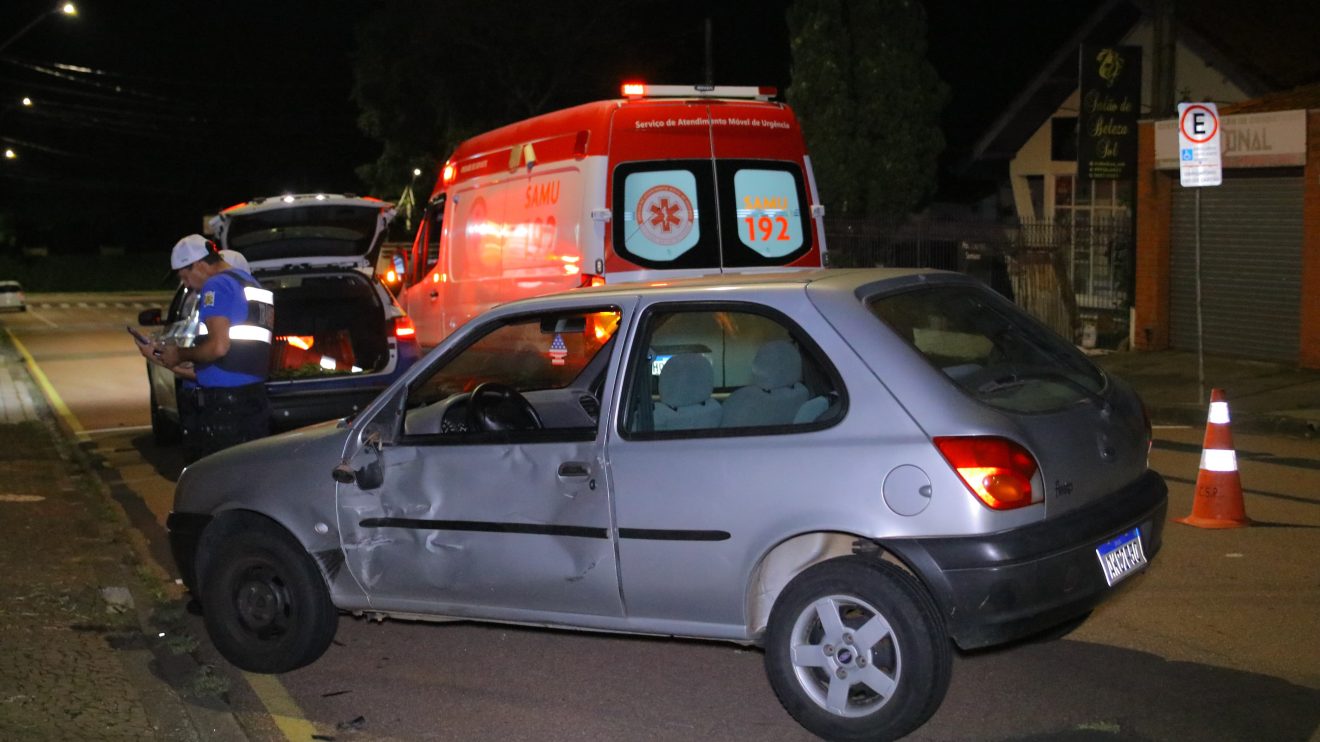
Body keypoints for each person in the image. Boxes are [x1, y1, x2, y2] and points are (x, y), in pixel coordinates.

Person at [137, 235, 274, 461]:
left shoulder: (217, 284)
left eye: (185, 276)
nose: (187, 285)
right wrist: (165, 358)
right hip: (253, 400)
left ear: (200, 264)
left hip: (226, 407)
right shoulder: (250, 284)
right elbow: (229, 360)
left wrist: (179, 353)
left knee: (218, 482)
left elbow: (218, 347)